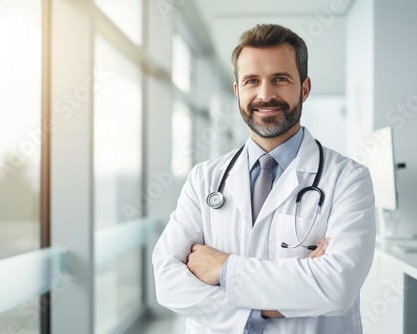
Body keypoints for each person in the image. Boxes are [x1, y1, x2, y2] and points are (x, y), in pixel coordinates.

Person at [152, 23, 376, 334]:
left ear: (305, 88)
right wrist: (266, 308)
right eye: (252, 81)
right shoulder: (204, 179)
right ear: (237, 91)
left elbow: (336, 287)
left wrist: (223, 268)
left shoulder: (348, 179)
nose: (265, 94)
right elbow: (167, 281)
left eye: (280, 79)